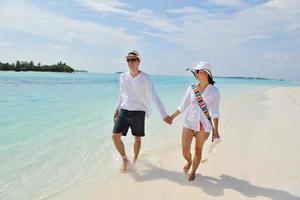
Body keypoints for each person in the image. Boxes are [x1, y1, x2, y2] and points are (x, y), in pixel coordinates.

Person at [112, 50, 172, 171]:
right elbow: (121, 93)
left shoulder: (145, 78)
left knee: (137, 138)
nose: (130, 62)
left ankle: (135, 159)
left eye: (133, 60)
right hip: (124, 109)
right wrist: (117, 108)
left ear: (139, 61)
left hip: (139, 111)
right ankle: (125, 159)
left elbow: (154, 96)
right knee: (115, 136)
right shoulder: (123, 76)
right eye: (128, 60)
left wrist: (164, 114)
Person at [170, 61, 221, 181]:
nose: (196, 73)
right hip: (189, 123)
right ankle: (189, 161)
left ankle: (193, 171)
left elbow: (215, 112)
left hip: (204, 126)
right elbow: (182, 106)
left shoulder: (214, 91)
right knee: (185, 150)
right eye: (196, 71)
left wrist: (216, 130)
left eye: (198, 71)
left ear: (206, 73)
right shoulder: (191, 88)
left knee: (198, 150)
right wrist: (171, 117)